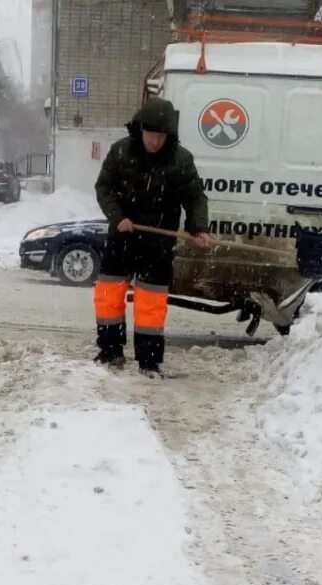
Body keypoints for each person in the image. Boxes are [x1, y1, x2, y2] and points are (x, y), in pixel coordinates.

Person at [93, 97, 212, 378]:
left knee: (151, 303)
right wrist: (117, 216)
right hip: (121, 236)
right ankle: (110, 351)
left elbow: (195, 197)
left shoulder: (180, 160)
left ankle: (149, 360)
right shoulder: (121, 152)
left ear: (168, 135)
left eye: (161, 136)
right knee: (109, 296)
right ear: (140, 129)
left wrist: (199, 227)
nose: (155, 142)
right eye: (151, 134)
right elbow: (104, 187)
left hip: (158, 243)